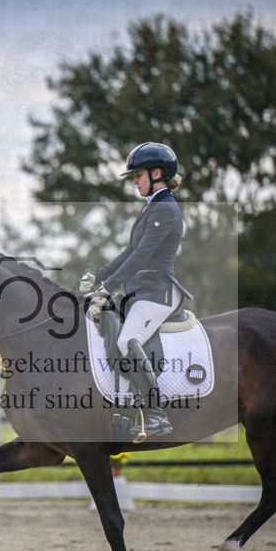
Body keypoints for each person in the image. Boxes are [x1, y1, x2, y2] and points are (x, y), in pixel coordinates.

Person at [75, 142, 188, 439]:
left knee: (127, 340)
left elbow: (142, 258)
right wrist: (96, 275)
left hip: (158, 293)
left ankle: (155, 414)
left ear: (157, 173)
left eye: (138, 175)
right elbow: (130, 252)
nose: (135, 181)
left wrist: (107, 288)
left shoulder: (165, 209)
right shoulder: (153, 208)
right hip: (142, 291)